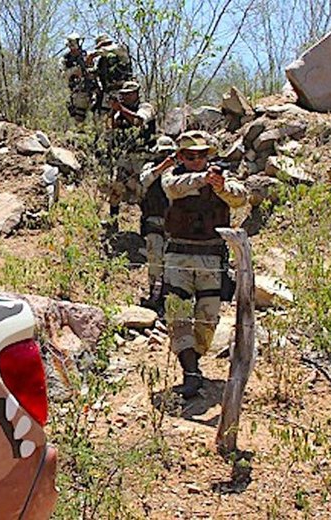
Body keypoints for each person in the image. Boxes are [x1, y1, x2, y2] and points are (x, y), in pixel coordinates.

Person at [157, 131, 248, 398]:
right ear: (181, 156)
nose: (196, 160)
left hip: (211, 257)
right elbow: (173, 188)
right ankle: (191, 371)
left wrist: (219, 186)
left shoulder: (223, 177)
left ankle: (193, 361)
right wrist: (204, 179)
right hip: (178, 256)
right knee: (178, 314)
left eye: (201, 155)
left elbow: (240, 198)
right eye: (190, 156)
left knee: (208, 319)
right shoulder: (172, 175)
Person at [103, 80, 156, 223]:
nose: (125, 97)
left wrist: (120, 109)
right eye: (123, 95)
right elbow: (113, 128)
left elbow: (138, 122)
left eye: (129, 94)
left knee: (144, 191)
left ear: (136, 94)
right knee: (116, 187)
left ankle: (146, 224)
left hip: (143, 155)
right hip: (125, 155)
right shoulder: (121, 111)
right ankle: (113, 220)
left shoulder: (145, 107)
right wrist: (114, 110)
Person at [138, 135, 177, 312]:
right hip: (154, 219)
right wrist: (162, 167)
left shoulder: (179, 170)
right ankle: (154, 295)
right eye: (162, 153)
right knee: (154, 260)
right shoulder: (150, 167)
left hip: (174, 222)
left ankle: (169, 297)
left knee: (172, 262)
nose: (165, 156)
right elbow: (145, 181)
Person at [90, 34, 133, 113]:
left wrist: (96, 53)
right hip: (108, 94)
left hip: (125, 91)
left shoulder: (121, 51)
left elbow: (115, 50)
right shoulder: (101, 62)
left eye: (105, 45)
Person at [62, 33, 96, 123]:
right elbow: (62, 75)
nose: (72, 48)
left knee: (98, 113)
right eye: (70, 46)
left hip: (92, 89)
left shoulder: (87, 55)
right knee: (78, 118)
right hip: (77, 91)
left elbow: (96, 70)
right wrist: (74, 71)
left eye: (74, 45)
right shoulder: (65, 59)